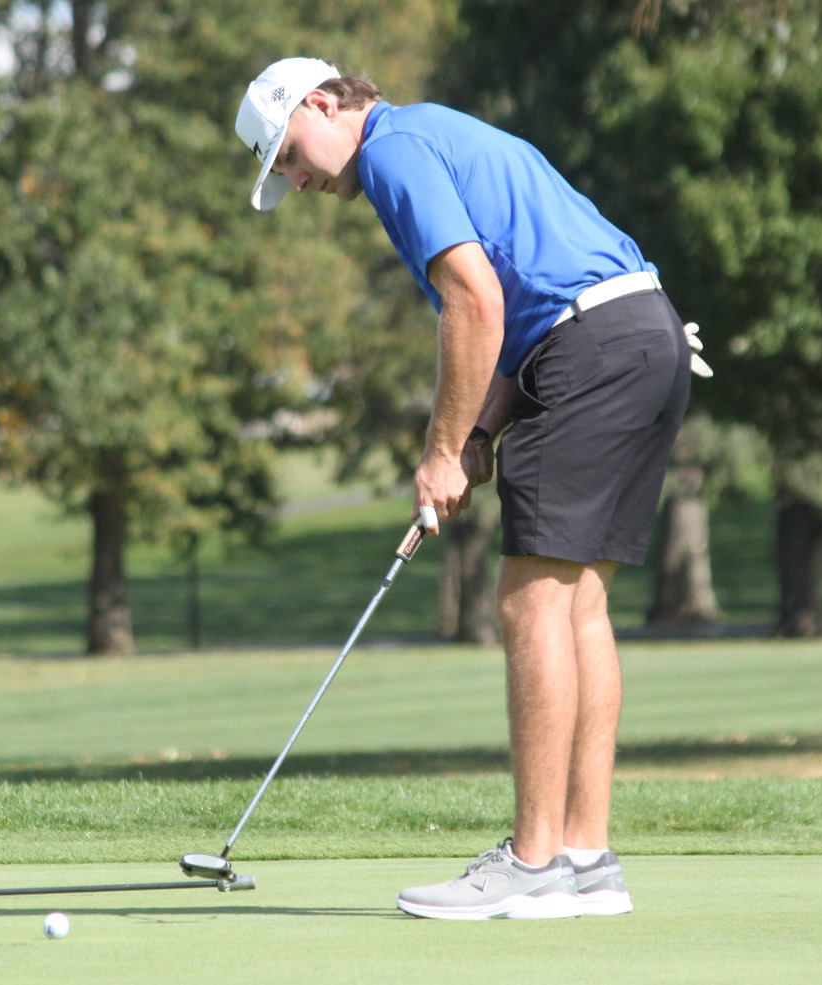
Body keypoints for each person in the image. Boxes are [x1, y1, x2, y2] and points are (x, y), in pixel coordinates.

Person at [234, 57, 705, 920]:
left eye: (288, 154)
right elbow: (526, 309)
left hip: (592, 348)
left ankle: (531, 863)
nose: (295, 180)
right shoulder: (436, 132)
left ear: (321, 103)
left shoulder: (392, 154)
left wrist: (442, 450)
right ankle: (584, 858)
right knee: (577, 603)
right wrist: (482, 431)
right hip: (647, 335)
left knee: (530, 603)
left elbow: (474, 302)